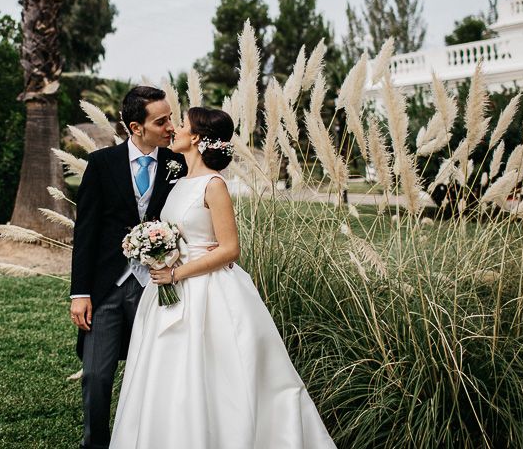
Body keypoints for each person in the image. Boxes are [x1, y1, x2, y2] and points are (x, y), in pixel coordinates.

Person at [110, 107, 337, 449]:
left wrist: (176, 272)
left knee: (213, 374)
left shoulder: (214, 185)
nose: (175, 129)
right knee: (167, 374)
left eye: (182, 124)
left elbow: (230, 249)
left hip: (205, 290)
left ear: (197, 137)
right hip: (168, 289)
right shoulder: (179, 183)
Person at [70, 86, 187, 449]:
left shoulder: (176, 164)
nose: (171, 126)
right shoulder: (101, 164)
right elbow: (86, 230)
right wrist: (80, 292)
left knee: (158, 371)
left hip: (157, 286)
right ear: (136, 127)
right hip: (107, 286)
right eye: (162, 120)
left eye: (170, 118)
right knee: (96, 375)